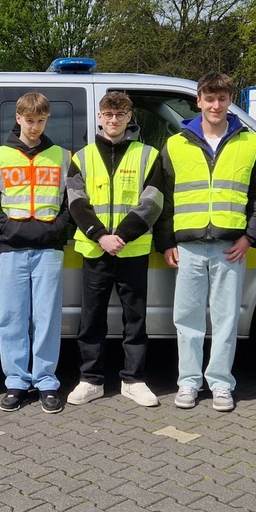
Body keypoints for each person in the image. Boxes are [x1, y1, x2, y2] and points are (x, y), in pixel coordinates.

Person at [155, 73, 256, 413]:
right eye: (209, 98)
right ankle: (188, 383)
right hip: (188, 245)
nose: (215, 105)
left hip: (230, 246)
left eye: (222, 99)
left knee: (225, 320)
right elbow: (164, 197)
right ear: (199, 101)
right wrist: (166, 242)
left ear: (229, 100)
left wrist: (251, 236)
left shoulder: (250, 142)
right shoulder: (177, 143)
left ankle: (221, 383)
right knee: (187, 319)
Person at [66, 91, 164, 407]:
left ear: (129, 117)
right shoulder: (81, 157)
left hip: (131, 249)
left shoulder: (148, 154)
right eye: (108, 114)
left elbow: (153, 202)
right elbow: (76, 203)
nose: (113, 120)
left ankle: (133, 380)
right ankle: (90, 380)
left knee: (135, 320)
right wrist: (100, 236)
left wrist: (120, 235)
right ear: (99, 116)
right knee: (91, 319)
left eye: (120, 115)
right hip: (96, 251)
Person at [0, 92, 71, 413]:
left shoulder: (63, 156)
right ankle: (16, 381)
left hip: (49, 247)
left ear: (47, 119)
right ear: (18, 119)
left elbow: (71, 202)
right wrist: (3, 231)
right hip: (12, 246)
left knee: (47, 317)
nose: (34, 126)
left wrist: (58, 229)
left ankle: (46, 380)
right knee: (11, 317)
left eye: (40, 120)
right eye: (29, 120)